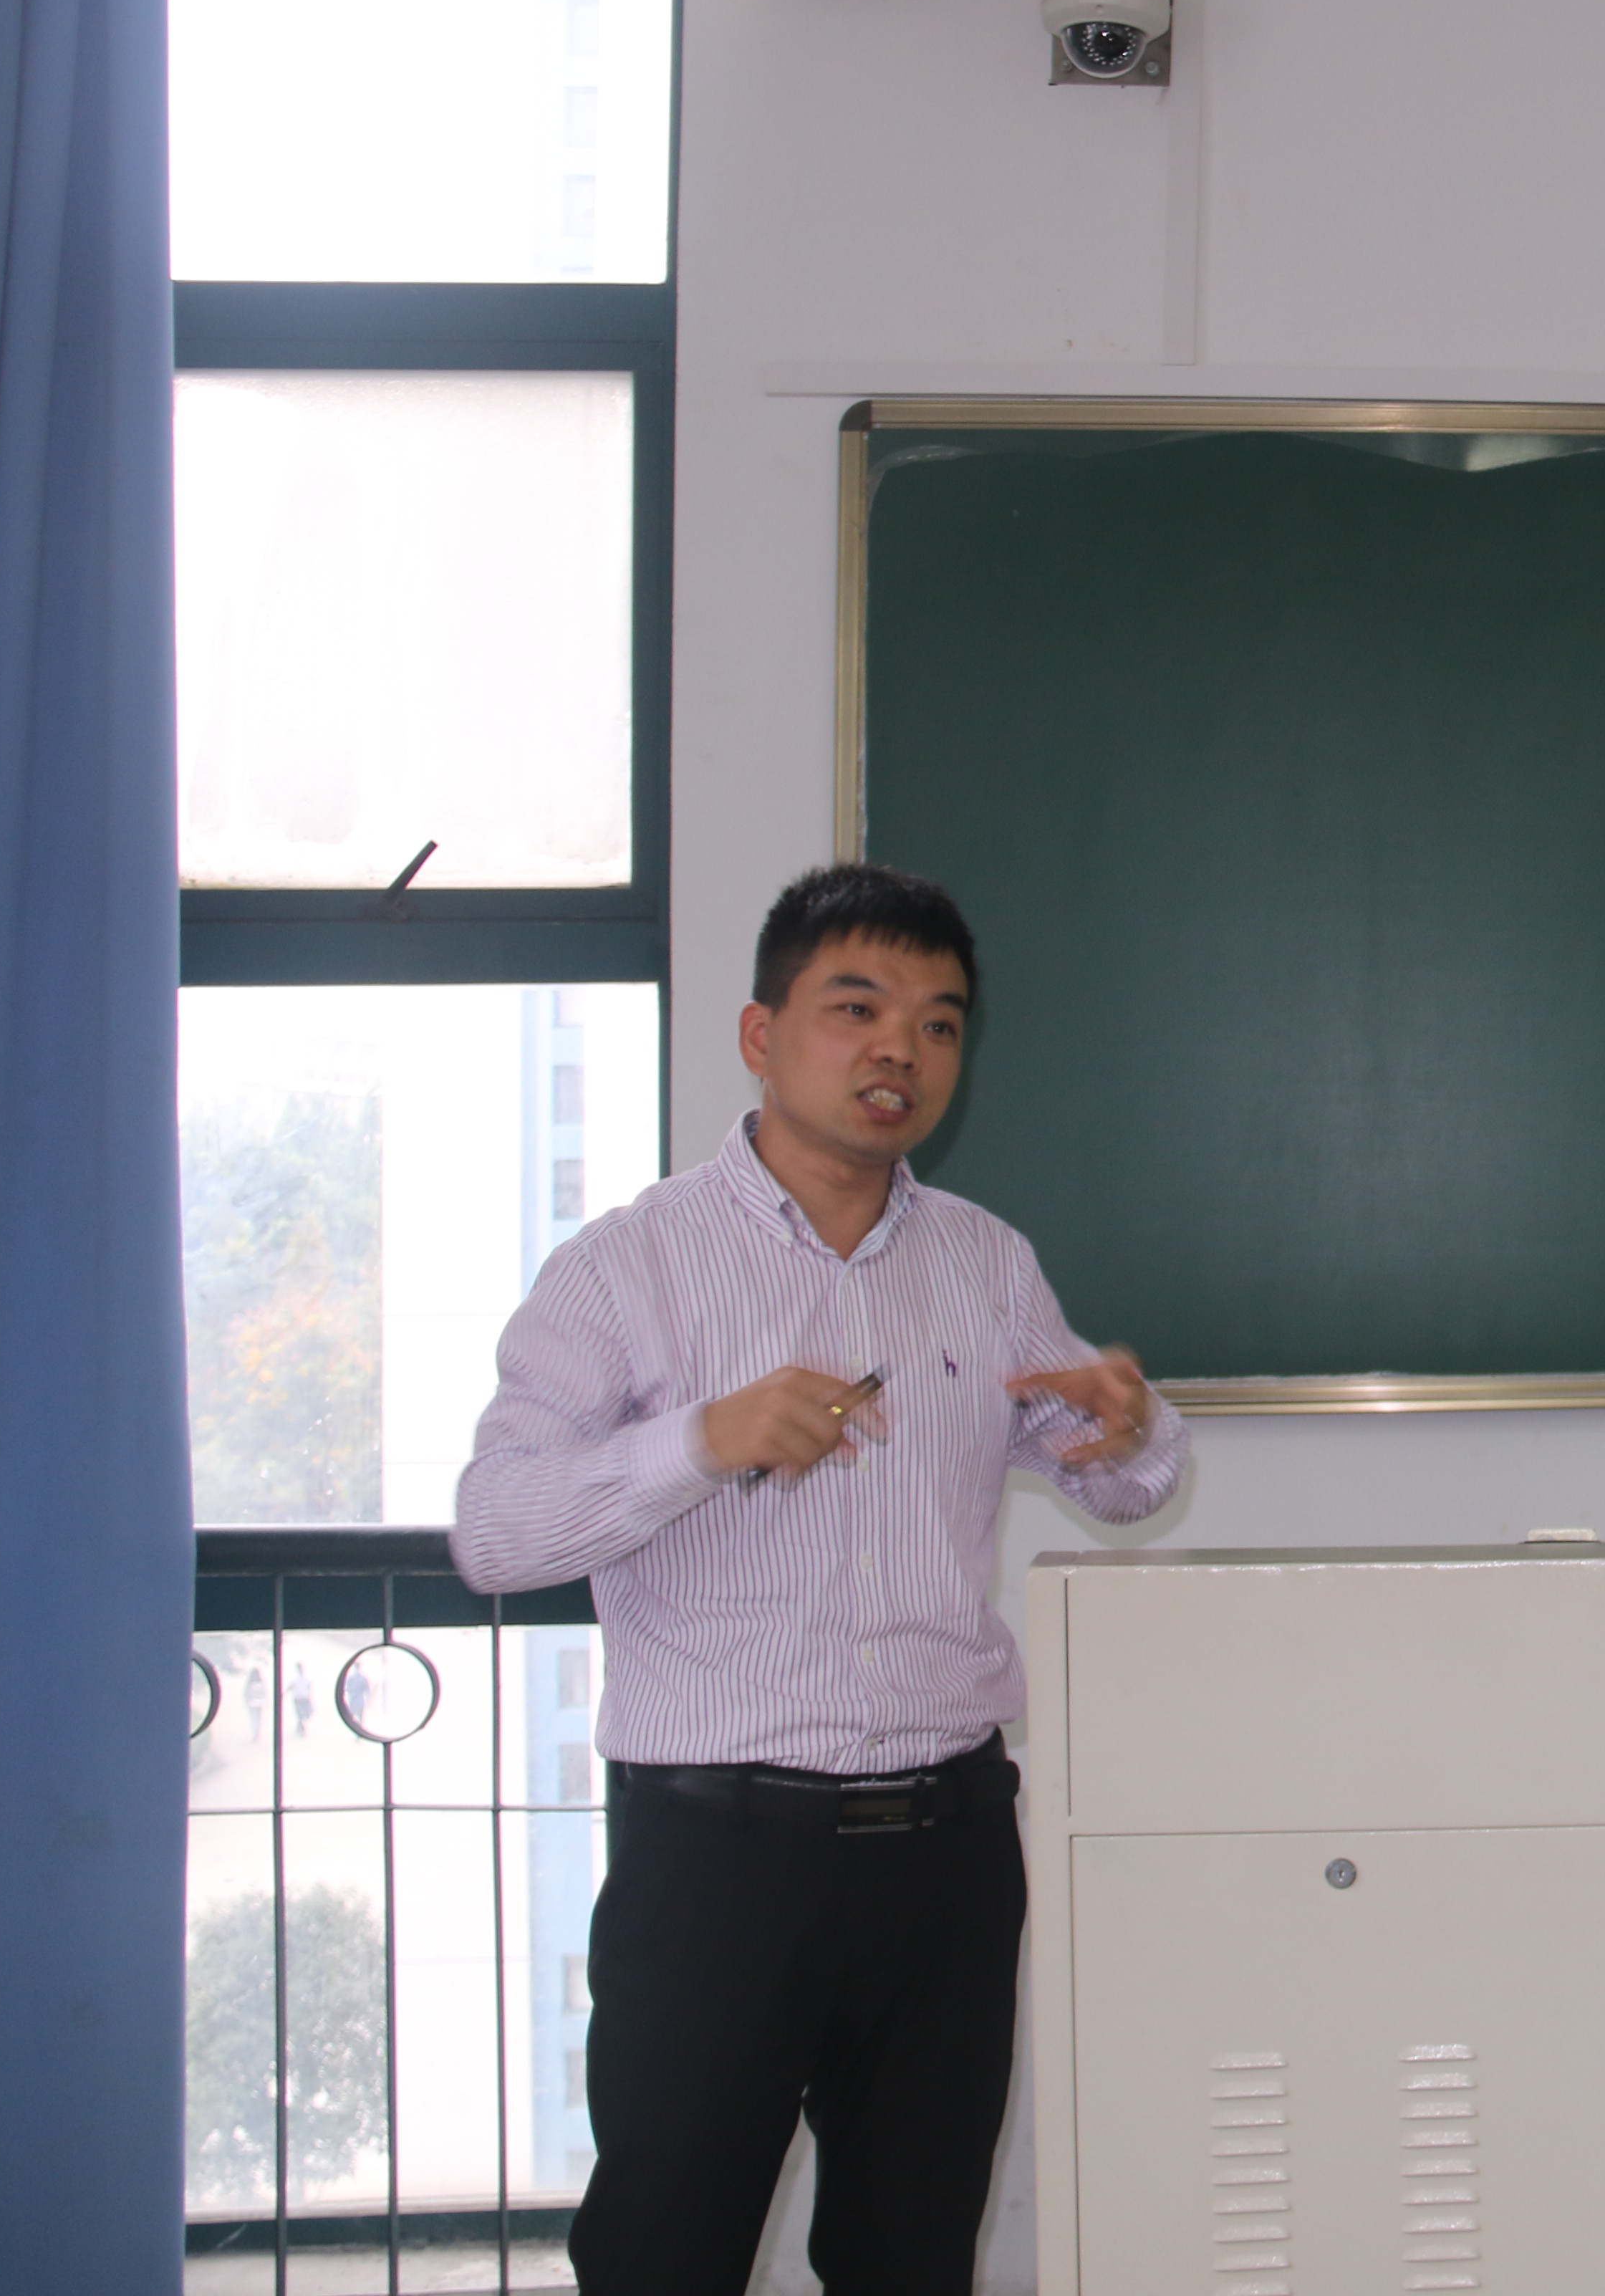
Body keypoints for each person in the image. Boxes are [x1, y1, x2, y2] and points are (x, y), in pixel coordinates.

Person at [452, 863, 1187, 2296]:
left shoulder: (986, 1263)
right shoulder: (627, 1269)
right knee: (663, 2256)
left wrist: (1132, 1431)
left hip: (947, 1853)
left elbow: (1119, 1483)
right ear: (761, 1033)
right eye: (858, 1008)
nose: (900, 1049)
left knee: (911, 2258)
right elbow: (496, 1534)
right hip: (717, 1859)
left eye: (939, 1023)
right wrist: (701, 1441)